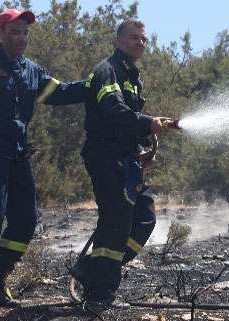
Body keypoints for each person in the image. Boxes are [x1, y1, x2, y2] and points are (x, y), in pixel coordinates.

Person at [0, 8, 85, 307]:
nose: (21, 38)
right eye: (15, 32)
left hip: (18, 155)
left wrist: (93, 85)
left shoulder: (32, 71)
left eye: (25, 32)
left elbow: (61, 92)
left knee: (26, 220)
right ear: (1, 33)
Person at [71, 18, 173, 306]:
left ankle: (92, 269)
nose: (140, 43)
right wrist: (148, 123)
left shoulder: (133, 78)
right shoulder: (108, 72)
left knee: (144, 217)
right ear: (118, 40)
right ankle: (99, 293)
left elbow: (125, 125)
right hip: (105, 156)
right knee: (115, 221)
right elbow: (114, 110)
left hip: (126, 158)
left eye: (143, 39)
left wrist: (140, 151)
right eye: (133, 38)